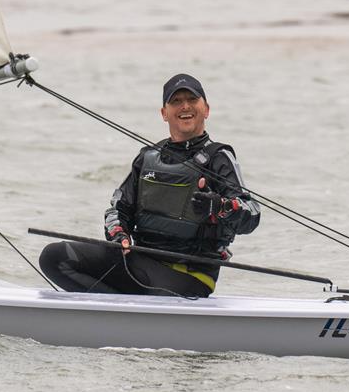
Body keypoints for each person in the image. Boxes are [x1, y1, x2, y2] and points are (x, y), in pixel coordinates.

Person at [39, 73, 260, 297]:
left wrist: (219, 206)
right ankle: (116, 316)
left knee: (150, 285)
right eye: (176, 101)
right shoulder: (147, 157)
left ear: (207, 109)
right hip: (141, 262)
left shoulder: (219, 158)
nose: (185, 106)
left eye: (192, 100)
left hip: (190, 276)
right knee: (53, 257)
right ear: (164, 113)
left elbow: (251, 216)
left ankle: (127, 315)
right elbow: (118, 209)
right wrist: (118, 234)